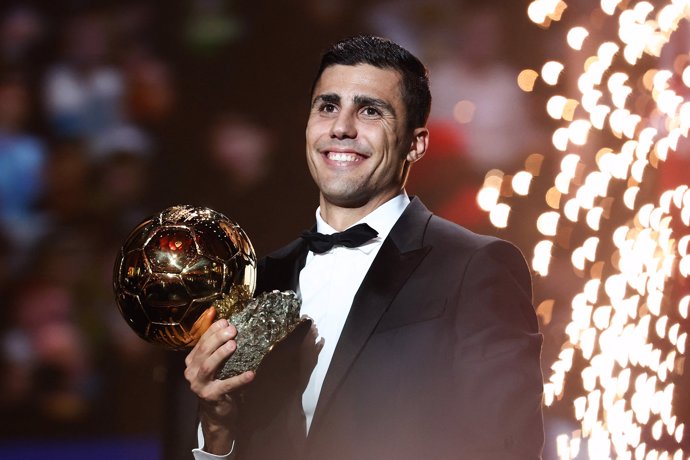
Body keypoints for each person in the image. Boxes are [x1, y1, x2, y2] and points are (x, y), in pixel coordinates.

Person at [184, 35, 544, 460]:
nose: (341, 127)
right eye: (328, 106)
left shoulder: (474, 266)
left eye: (370, 110)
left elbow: (508, 447)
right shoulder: (261, 279)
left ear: (416, 143)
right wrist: (218, 428)